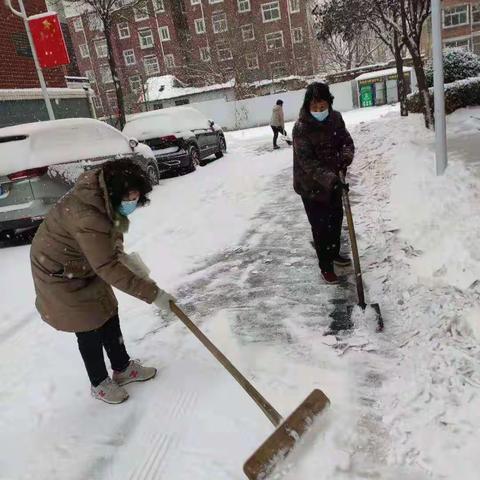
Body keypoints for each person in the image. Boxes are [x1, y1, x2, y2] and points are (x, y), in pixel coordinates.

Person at [30, 159, 175, 404]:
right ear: (115, 191)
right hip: (58, 272)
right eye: (129, 197)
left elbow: (110, 242)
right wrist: (153, 294)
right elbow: (107, 266)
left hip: (84, 263)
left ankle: (122, 368)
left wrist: (127, 261)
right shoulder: (87, 215)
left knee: (107, 310)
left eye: (135, 197)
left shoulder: (104, 200)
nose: (132, 202)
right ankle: (99, 382)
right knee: (87, 324)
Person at [292, 82, 355, 284]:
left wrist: (345, 158)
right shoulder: (301, 128)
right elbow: (307, 162)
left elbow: (346, 141)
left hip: (335, 181)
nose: (319, 111)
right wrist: (331, 180)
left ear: (329, 104)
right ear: (307, 106)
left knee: (335, 221)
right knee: (320, 227)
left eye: (323, 107)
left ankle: (334, 253)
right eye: (314, 108)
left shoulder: (335, 119)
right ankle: (326, 266)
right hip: (311, 187)